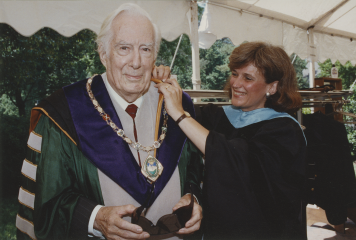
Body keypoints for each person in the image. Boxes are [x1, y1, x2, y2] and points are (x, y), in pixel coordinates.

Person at [16, 3, 203, 240]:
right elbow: (47, 202)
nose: (136, 62)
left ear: (154, 55)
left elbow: (196, 174)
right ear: (103, 54)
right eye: (124, 48)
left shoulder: (178, 107)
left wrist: (194, 199)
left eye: (145, 49)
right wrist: (94, 217)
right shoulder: (64, 114)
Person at [156, 42, 307, 239]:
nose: (236, 83)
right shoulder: (218, 116)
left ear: (272, 86)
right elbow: (178, 112)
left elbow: (237, 162)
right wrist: (160, 81)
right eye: (235, 74)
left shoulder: (285, 131)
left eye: (248, 78)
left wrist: (181, 115)